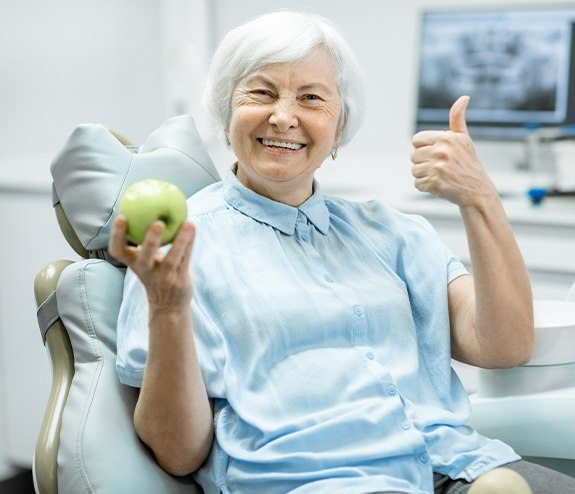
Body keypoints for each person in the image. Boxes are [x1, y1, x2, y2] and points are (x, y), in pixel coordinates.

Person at [109, 10, 575, 494]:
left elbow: (504, 345)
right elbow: (178, 453)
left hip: (455, 467)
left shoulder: (392, 232)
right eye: (261, 92)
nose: (284, 116)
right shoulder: (179, 250)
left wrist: (480, 198)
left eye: (311, 98)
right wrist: (167, 308)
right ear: (227, 111)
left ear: (340, 125)